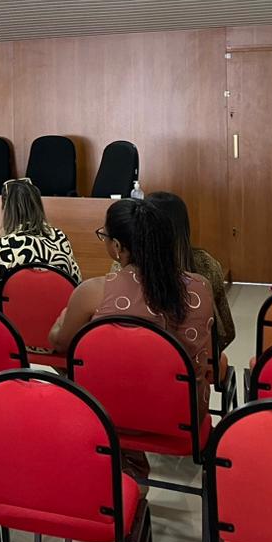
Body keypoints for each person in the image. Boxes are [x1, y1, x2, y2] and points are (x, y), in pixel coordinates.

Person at [48, 198, 212, 484]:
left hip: (112, 414)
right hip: (183, 415)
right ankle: (132, 475)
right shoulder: (200, 286)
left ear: (118, 247)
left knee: (80, 371)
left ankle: (127, 475)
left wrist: (64, 317)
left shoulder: (93, 292)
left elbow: (60, 344)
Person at [148, 191, 234, 348]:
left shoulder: (123, 269)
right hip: (194, 363)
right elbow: (226, 332)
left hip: (140, 362)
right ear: (185, 225)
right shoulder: (206, 264)